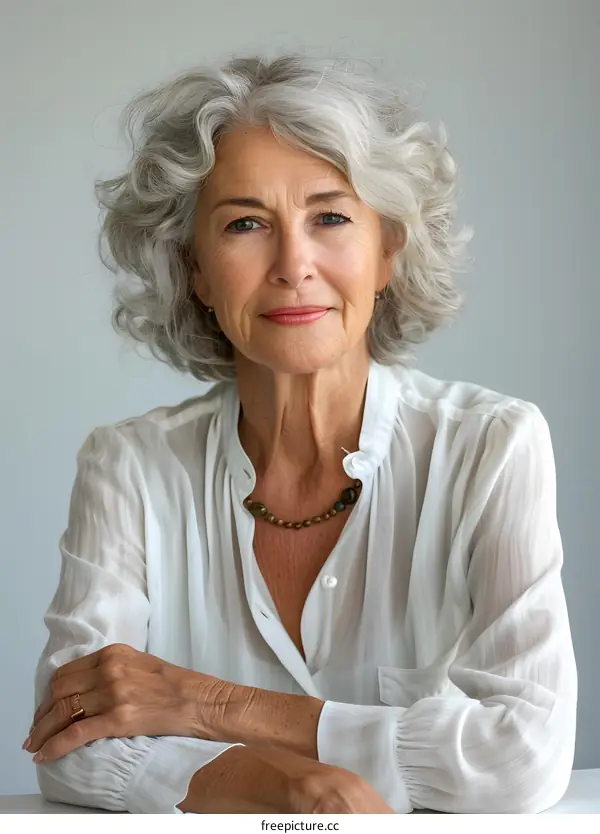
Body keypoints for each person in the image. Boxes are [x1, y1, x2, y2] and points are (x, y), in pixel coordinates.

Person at [24, 54, 577, 815]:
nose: (293, 265)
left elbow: (524, 756)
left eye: (331, 217)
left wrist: (211, 706)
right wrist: (265, 782)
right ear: (195, 270)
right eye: (245, 224)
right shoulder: (129, 465)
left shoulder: (491, 447)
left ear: (388, 252)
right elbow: (67, 738)